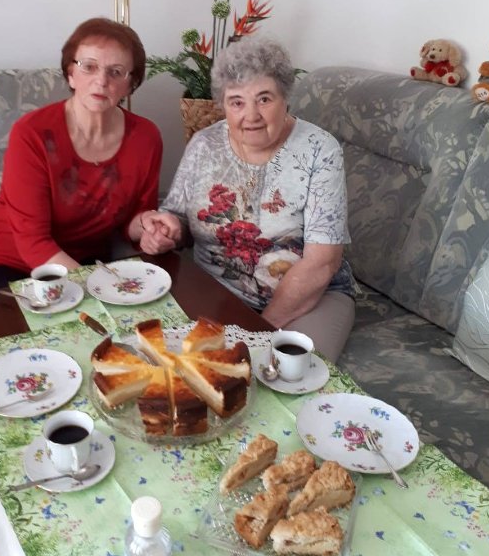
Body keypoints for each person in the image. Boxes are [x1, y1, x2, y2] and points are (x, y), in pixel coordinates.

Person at [140, 37, 356, 362]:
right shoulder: (204, 145)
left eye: (264, 99)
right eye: (237, 102)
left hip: (309, 298)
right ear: (223, 105)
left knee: (286, 371)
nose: (251, 115)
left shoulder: (319, 150)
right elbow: (178, 218)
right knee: (167, 360)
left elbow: (322, 262)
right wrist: (167, 230)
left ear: (285, 98)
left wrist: (255, 333)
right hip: (217, 290)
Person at [0, 17, 163, 299]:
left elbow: (133, 221)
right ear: (70, 73)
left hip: (78, 264)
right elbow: (32, 241)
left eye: (116, 72)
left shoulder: (146, 138)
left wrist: (150, 227)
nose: (101, 81)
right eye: (89, 67)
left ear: (130, 84)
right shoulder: (32, 133)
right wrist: (100, 291)